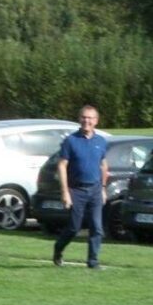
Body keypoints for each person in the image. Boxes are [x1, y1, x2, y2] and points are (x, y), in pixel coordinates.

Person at [52, 105, 109, 270]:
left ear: (96, 121)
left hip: (96, 190)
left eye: (90, 118)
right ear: (79, 119)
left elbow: (104, 165)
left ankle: (93, 262)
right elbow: (62, 165)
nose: (87, 121)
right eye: (84, 117)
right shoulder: (71, 141)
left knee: (97, 228)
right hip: (76, 190)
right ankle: (58, 248)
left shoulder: (101, 142)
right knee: (73, 228)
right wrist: (65, 192)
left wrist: (103, 188)